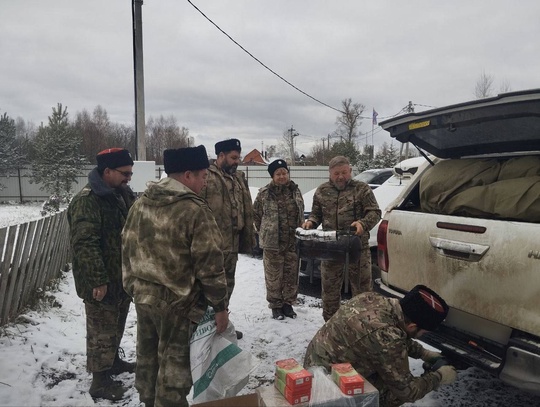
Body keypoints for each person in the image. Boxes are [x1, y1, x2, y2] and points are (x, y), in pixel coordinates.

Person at [122, 145, 229, 407]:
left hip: (144, 298)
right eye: (204, 176)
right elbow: (210, 264)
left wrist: (133, 287)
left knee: (148, 361)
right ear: (188, 175)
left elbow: (126, 247)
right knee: (174, 374)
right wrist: (220, 306)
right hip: (179, 305)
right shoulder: (194, 210)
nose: (206, 182)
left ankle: (149, 402)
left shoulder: (141, 203)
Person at [304, 285, 458, 407]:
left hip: (318, 360)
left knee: (390, 374)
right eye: (422, 332)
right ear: (412, 326)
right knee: (394, 393)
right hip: (326, 384)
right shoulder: (389, 338)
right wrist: (438, 377)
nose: (422, 335)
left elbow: (394, 335)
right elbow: (408, 391)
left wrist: (423, 353)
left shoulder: (374, 299)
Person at [67, 148, 136, 401]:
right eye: (124, 173)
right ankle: (100, 381)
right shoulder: (88, 200)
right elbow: (85, 243)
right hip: (102, 281)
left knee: (116, 324)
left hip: (121, 277)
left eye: (130, 173)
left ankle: (113, 362)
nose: (129, 177)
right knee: (101, 331)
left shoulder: (120, 194)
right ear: (107, 172)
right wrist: (98, 279)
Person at [302, 156, 381, 321]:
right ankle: (331, 325)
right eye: (336, 173)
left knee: (363, 291)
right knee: (329, 290)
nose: (340, 176)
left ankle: (364, 326)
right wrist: (311, 222)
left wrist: (363, 223)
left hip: (357, 247)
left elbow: (374, 212)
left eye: (344, 172)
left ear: (350, 171)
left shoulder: (362, 189)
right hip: (331, 248)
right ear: (330, 174)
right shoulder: (322, 191)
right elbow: (316, 213)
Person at [200, 138, 256, 339]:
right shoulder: (207, 177)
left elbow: (246, 208)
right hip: (212, 245)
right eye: (233, 157)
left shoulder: (238, 178)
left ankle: (220, 324)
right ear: (220, 156)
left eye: (238, 157)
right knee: (209, 289)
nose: (237, 161)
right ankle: (204, 330)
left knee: (227, 287)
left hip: (232, 245)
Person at [253, 159, 304, 320]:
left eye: (284, 173)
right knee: (273, 276)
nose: (282, 176)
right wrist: (266, 231)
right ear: (272, 176)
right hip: (272, 243)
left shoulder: (295, 191)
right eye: (278, 174)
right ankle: (275, 306)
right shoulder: (264, 193)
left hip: (292, 242)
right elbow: (256, 215)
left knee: (291, 275)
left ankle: (288, 305)